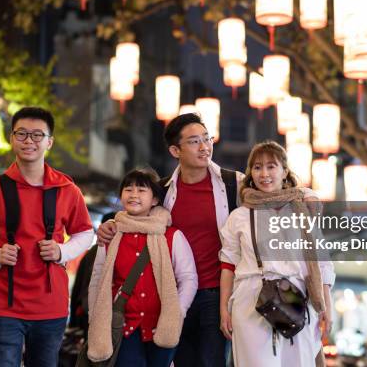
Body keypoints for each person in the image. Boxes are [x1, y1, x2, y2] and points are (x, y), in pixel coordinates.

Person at [97, 113, 244, 367]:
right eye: (195, 141)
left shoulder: (234, 184)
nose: (205, 146)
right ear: (175, 150)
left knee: (213, 362)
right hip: (172, 295)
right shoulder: (163, 191)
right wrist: (111, 225)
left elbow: (273, 192)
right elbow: (137, 219)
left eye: (207, 139)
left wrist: (305, 194)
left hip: (217, 295)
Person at [0, 107, 94, 367]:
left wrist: (61, 251)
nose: (29, 141)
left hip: (50, 304)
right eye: (21, 134)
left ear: (49, 142)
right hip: (3, 305)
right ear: (11, 138)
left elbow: (85, 233)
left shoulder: (67, 189)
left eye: (37, 135)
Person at [218, 141, 335, 366]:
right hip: (251, 299)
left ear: (284, 172)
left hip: (297, 299)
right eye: (257, 167)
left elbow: (322, 263)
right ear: (250, 174)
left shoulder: (303, 210)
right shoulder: (239, 216)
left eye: (271, 166)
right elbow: (228, 264)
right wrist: (225, 308)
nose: (264, 174)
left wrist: (326, 308)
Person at [87, 169, 198, 366]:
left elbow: (188, 278)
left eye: (141, 190)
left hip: (163, 327)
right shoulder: (111, 235)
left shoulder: (172, 236)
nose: (134, 195)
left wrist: (177, 312)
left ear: (155, 199)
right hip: (124, 328)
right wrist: (95, 319)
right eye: (128, 189)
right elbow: (98, 279)